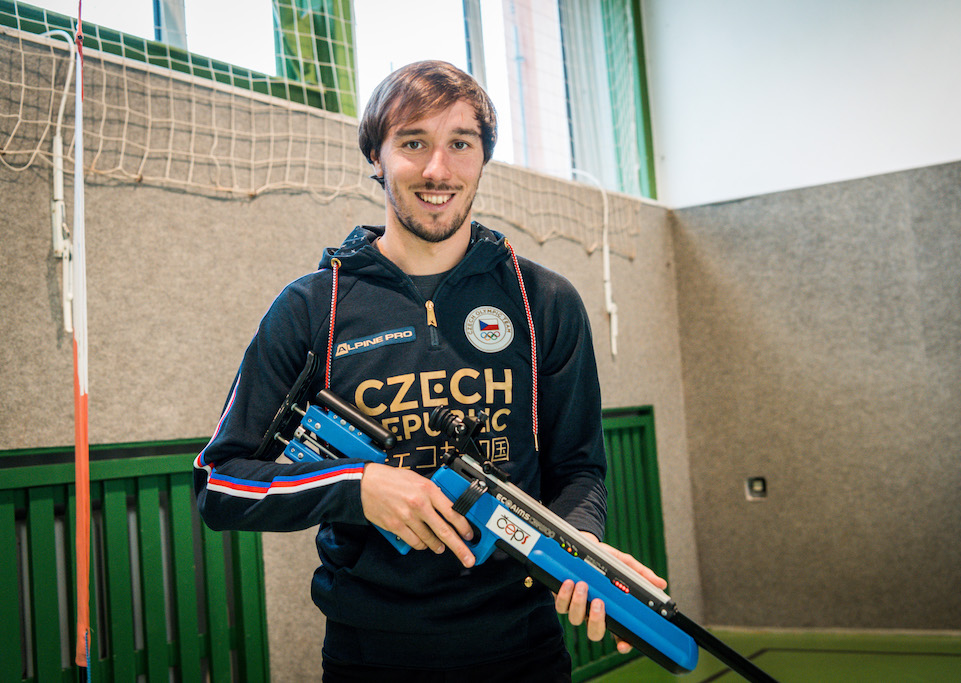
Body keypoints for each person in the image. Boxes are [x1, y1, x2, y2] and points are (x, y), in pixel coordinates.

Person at [193, 60, 665, 682]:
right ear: (377, 155)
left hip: (524, 652)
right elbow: (220, 485)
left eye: (460, 144)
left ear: (483, 158)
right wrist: (357, 486)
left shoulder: (544, 301)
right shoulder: (312, 308)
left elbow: (578, 468)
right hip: (370, 657)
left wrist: (580, 550)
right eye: (413, 143)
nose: (437, 170)